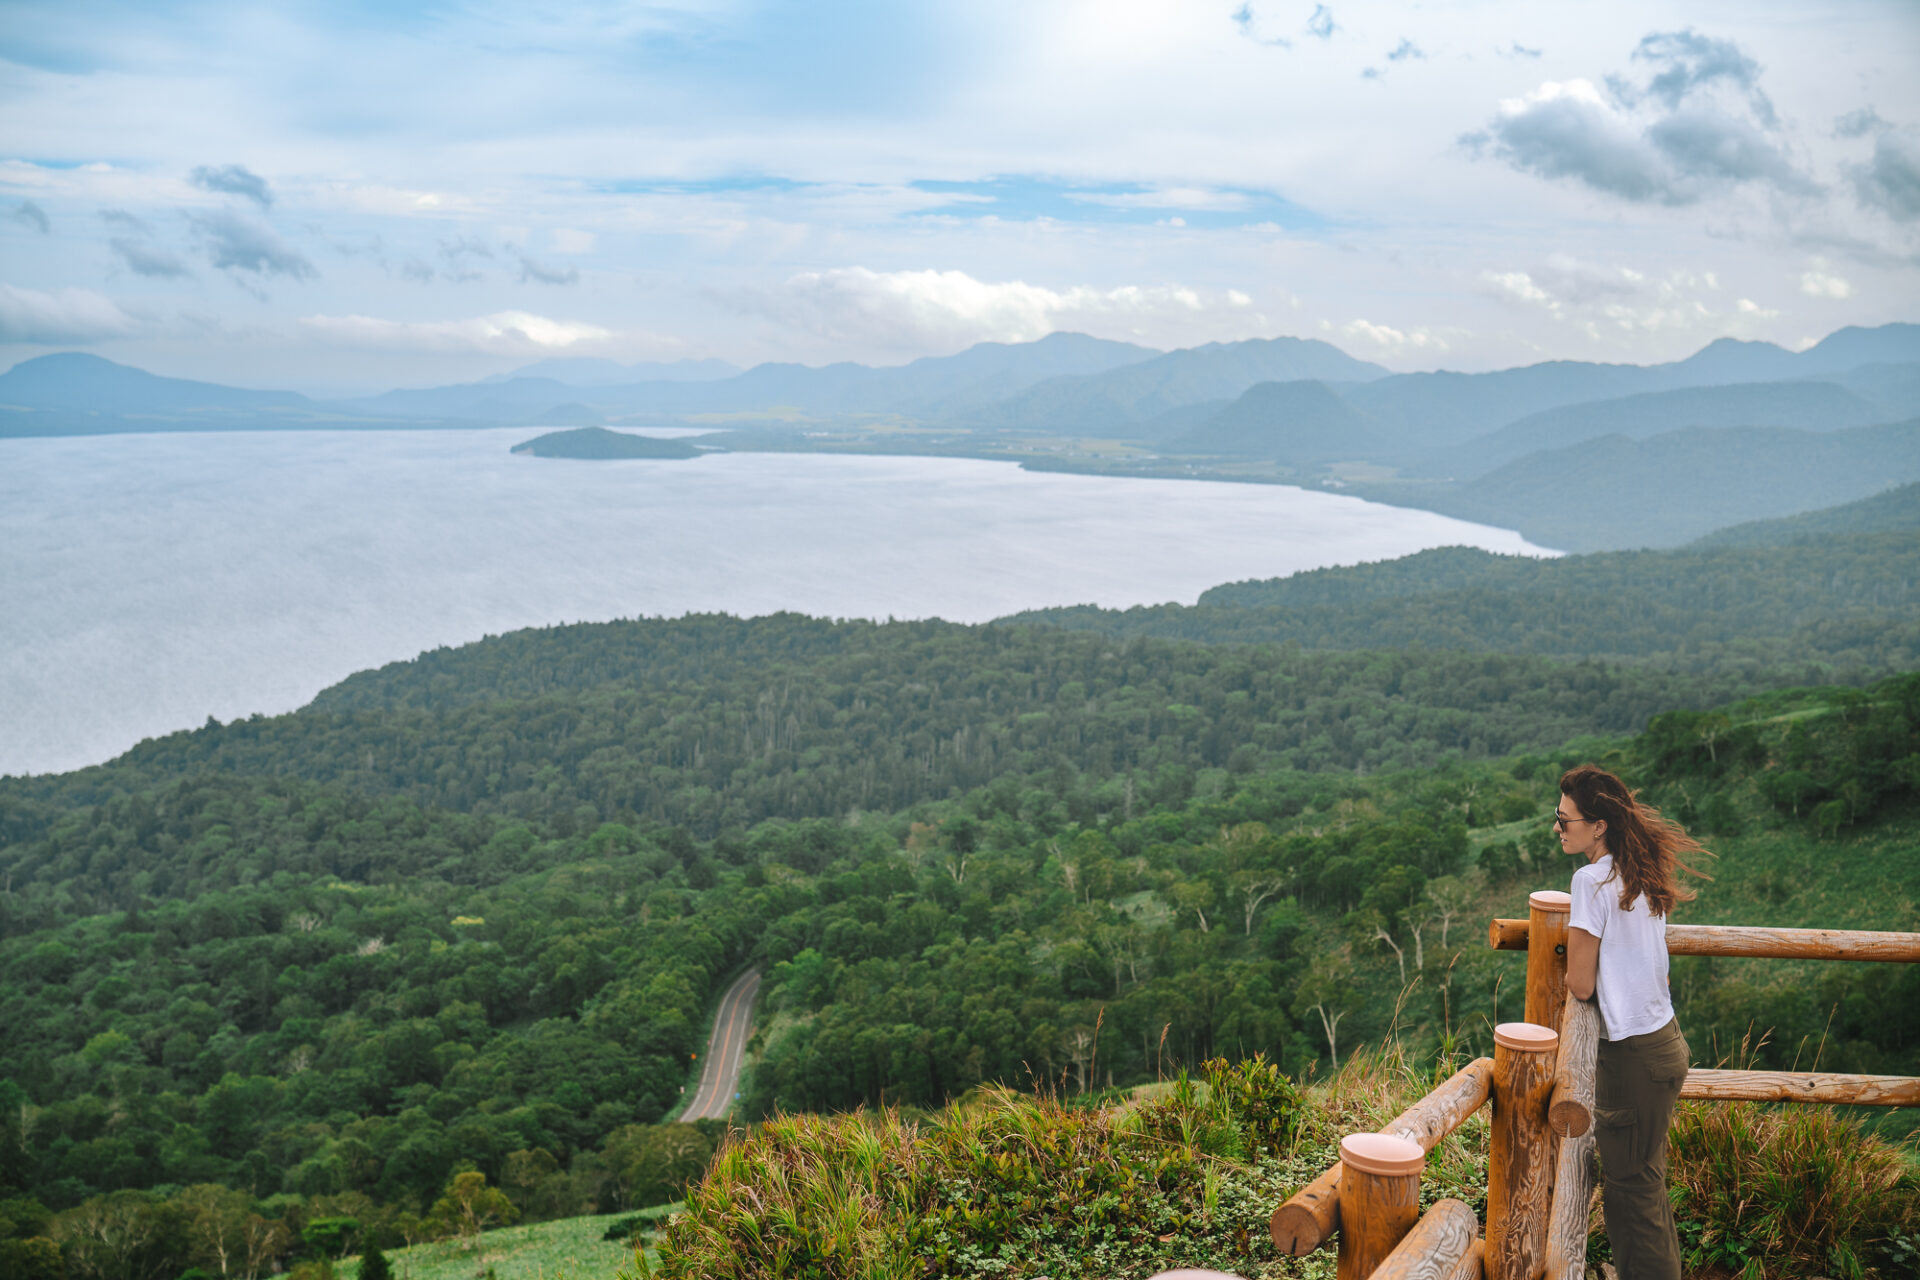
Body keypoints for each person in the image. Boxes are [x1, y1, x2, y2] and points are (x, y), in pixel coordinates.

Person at [1557, 764, 1707, 1280]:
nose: (1557, 829)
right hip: (1665, 1043)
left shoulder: (1591, 880)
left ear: (1598, 825)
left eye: (1564, 819)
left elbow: (1580, 983)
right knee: (1645, 1180)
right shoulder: (1639, 871)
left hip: (1631, 1055)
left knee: (1629, 1190)